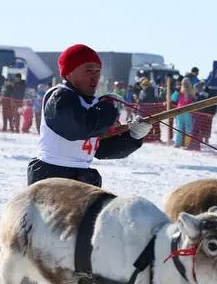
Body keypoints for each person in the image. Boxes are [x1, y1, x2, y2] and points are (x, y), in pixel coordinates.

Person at [26, 44, 151, 187]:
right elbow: (78, 129)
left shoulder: (93, 104)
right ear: (69, 73)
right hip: (51, 175)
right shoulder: (60, 96)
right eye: (88, 70)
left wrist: (133, 137)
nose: (95, 76)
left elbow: (101, 149)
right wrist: (107, 108)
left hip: (82, 176)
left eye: (98, 71)